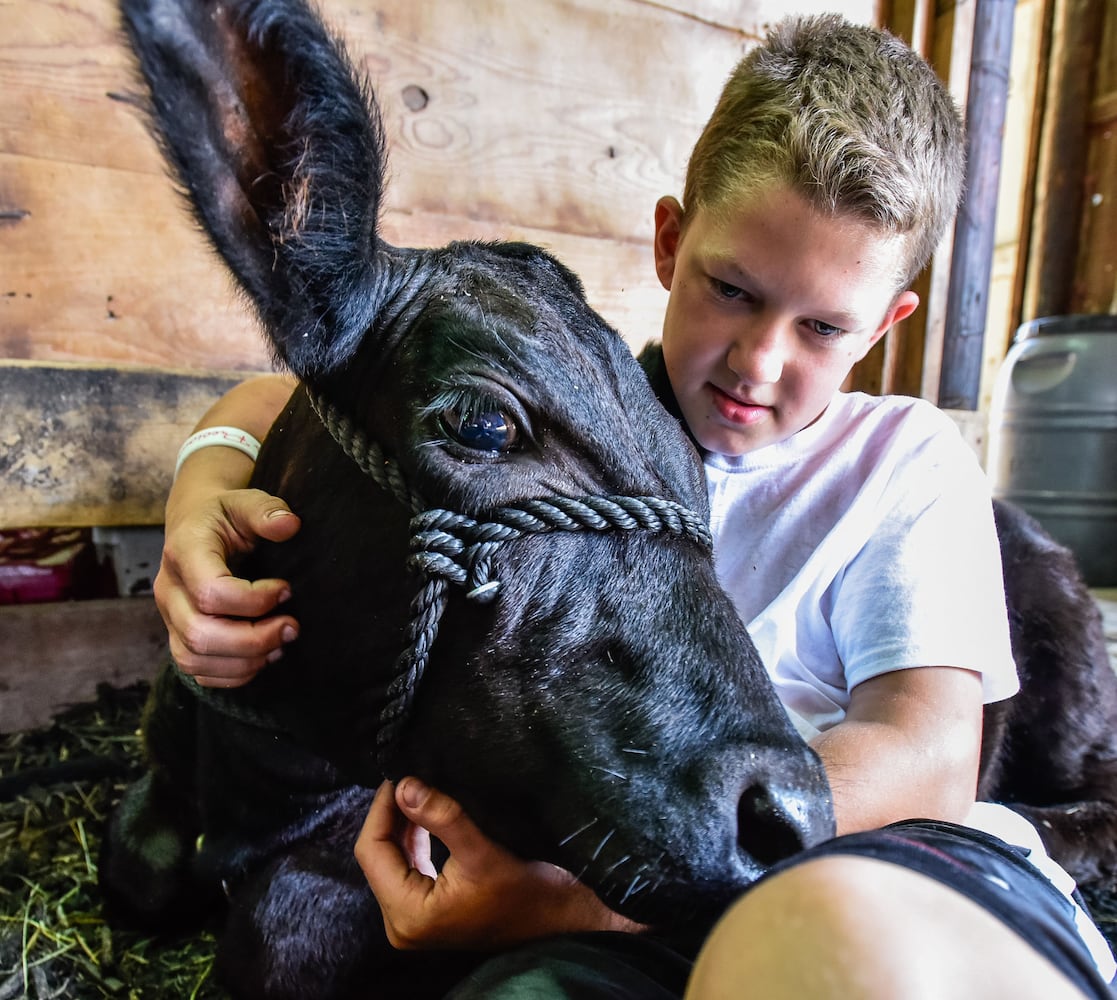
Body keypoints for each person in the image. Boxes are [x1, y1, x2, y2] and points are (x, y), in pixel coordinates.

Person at [154, 13, 1116, 998]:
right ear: (669, 240)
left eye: (823, 326)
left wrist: (569, 903)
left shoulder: (901, 460)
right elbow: (326, 394)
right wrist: (208, 481)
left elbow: (927, 754)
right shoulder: (612, 404)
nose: (759, 361)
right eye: (732, 289)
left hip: (814, 859)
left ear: (882, 327)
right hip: (599, 834)